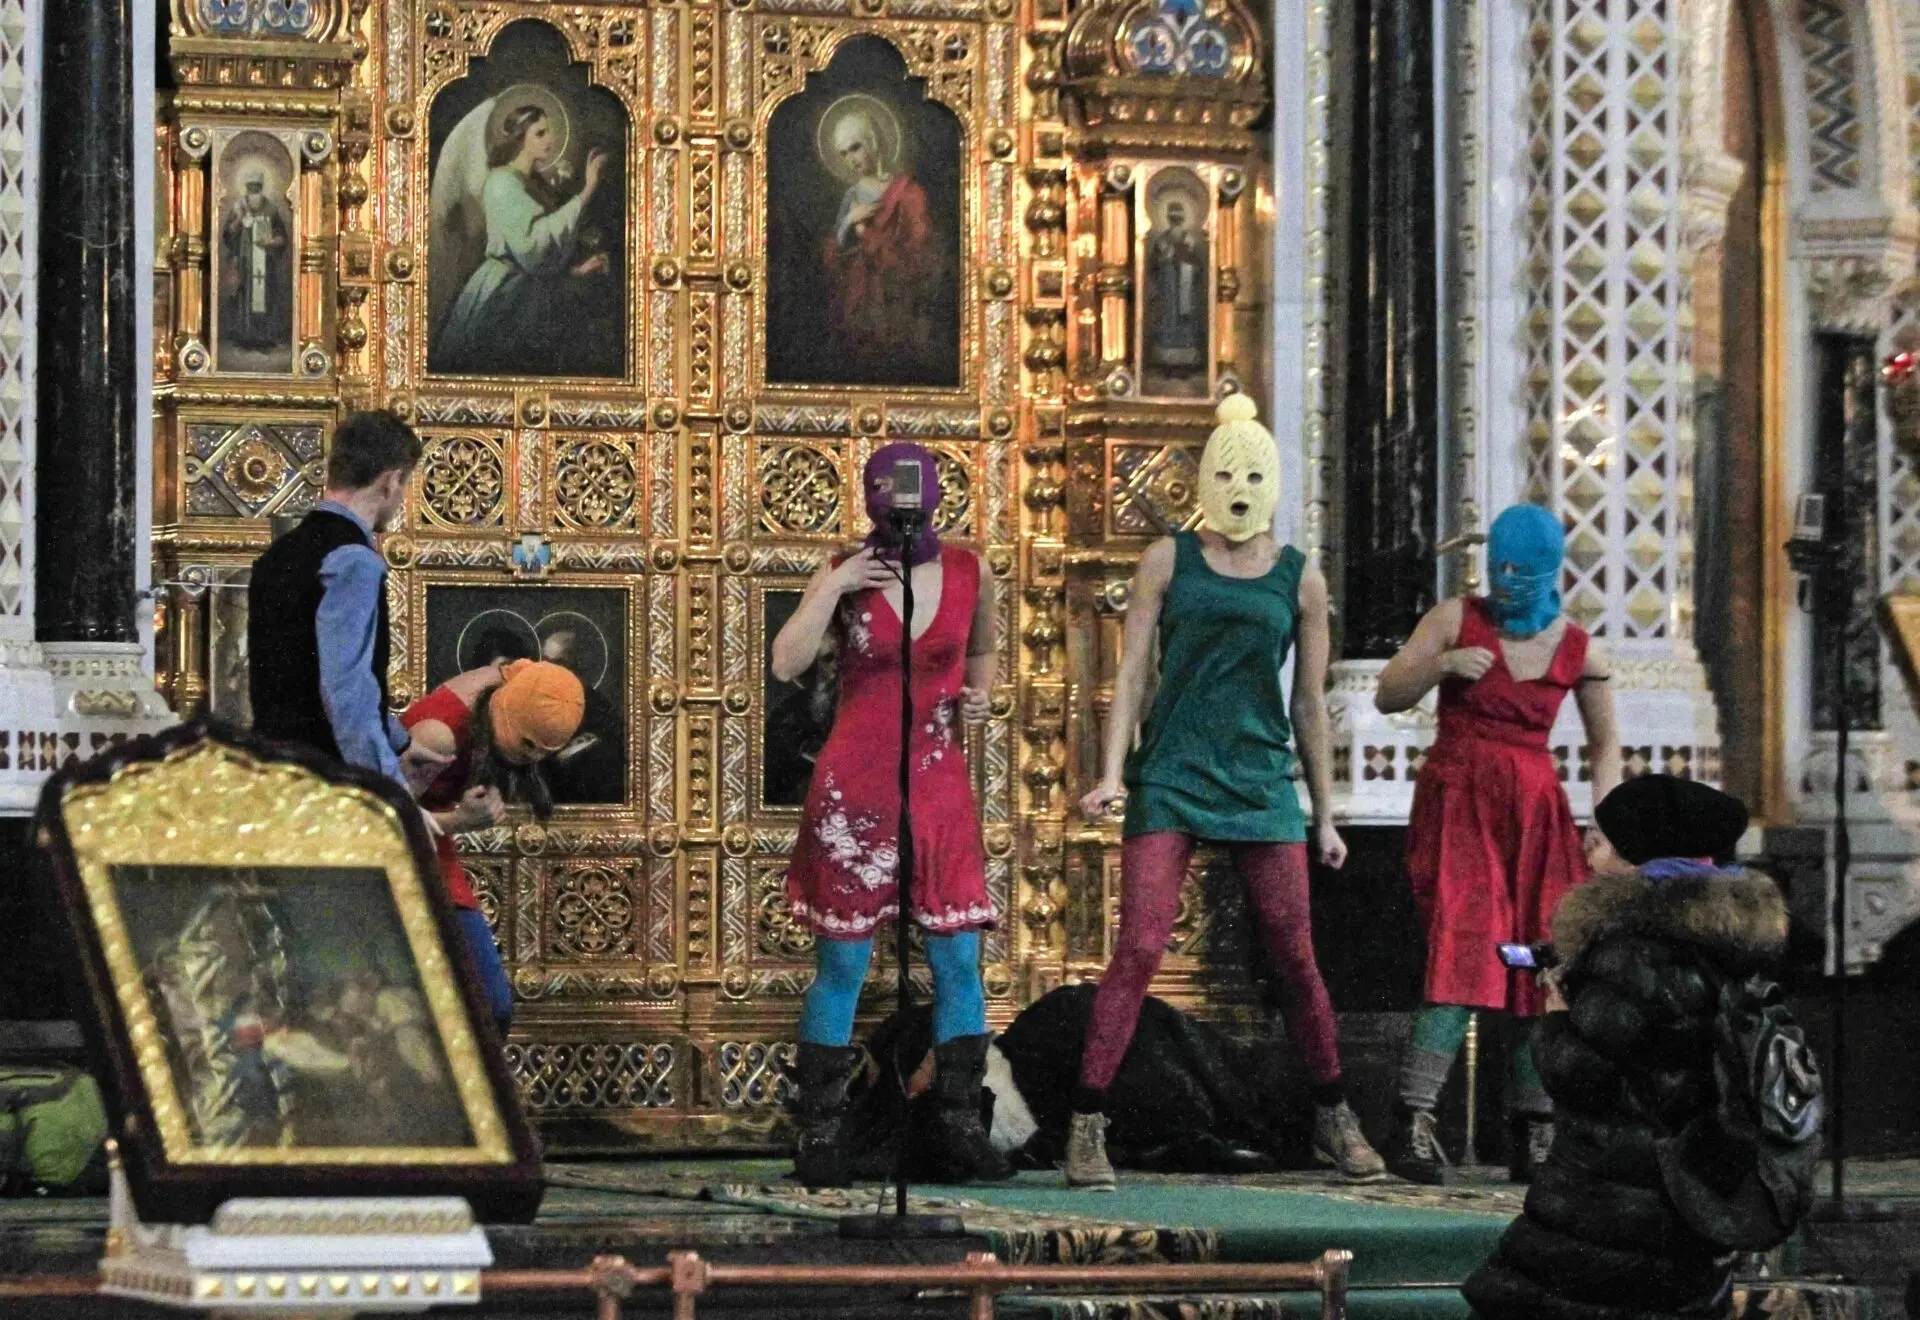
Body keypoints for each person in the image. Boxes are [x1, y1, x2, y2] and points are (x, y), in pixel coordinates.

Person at [1069, 395, 1385, 1190]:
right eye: (1227, 473)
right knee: (1140, 945)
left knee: (1295, 954)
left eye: (1252, 474)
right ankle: (1086, 1122)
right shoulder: (1167, 560)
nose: (1238, 488)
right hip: (1173, 770)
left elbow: (1308, 701)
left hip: (1258, 777)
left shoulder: (1298, 576)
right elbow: (1132, 673)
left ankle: (1335, 1114)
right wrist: (1111, 772)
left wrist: (1325, 815)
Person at [1463, 775, 1821, 1319]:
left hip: (1614, 1208)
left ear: (1637, 852)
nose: (1589, 855)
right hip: (1698, 1194)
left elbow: (1584, 1075)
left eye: (1600, 841)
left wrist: (1556, 1018)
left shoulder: (1633, 946)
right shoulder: (1739, 937)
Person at [774, 442, 1003, 1188]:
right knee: (844, 960)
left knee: (957, 955)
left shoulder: (970, 571)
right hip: (857, 782)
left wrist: (977, 698)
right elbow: (785, 662)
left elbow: (982, 655)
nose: (904, 509)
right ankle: (820, 1132)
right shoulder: (845, 569)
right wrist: (835, 583)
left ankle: (960, 1126)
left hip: (937, 783)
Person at [1374, 502, 1620, 1183]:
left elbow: (1605, 746)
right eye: (1499, 567)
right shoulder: (1455, 618)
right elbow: (1388, 694)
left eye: (1523, 570)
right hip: (1461, 803)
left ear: (1550, 570)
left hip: (1535, 812)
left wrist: (1607, 823)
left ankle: (1534, 1128)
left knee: (1536, 958)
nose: (1508, 581)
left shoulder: (1579, 648)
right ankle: (1413, 1116)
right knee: (1465, 947)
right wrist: (1442, 665)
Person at [248, 411, 448, 795]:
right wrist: (391, 793)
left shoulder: (279, 554)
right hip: (325, 786)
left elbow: (293, 676)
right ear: (390, 481)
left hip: (273, 775)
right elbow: (347, 693)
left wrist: (401, 744)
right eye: (405, 485)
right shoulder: (353, 560)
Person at [402, 659, 586, 1035]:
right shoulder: (440, 736)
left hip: (434, 849)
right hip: (396, 863)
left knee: (489, 1008)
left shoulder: (509, 679)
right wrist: (460, 821)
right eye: (526, 746)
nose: (531, 759)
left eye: (544, 752)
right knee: (476, 1004)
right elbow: (381, 823)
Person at [433, 102, 610, 375]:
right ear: (519, 139)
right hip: (503, 294)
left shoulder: (531, 182)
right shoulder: (502, 183)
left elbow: (539, 257)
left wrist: (577, 271)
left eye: (549, 131)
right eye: (540, 133)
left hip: (526, 290)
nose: (550, 139)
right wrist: (587, 191)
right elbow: (534, 245)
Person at [821, 111, 943, 381]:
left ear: (872, 141)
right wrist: (848, 223)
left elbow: (918, 252)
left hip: (897, 298)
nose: (851, 159)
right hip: (860, 299)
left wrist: (865, 233)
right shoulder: (852, 196)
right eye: (843, 154)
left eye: (855, 147)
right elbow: (832, 256)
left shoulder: (908, 192)